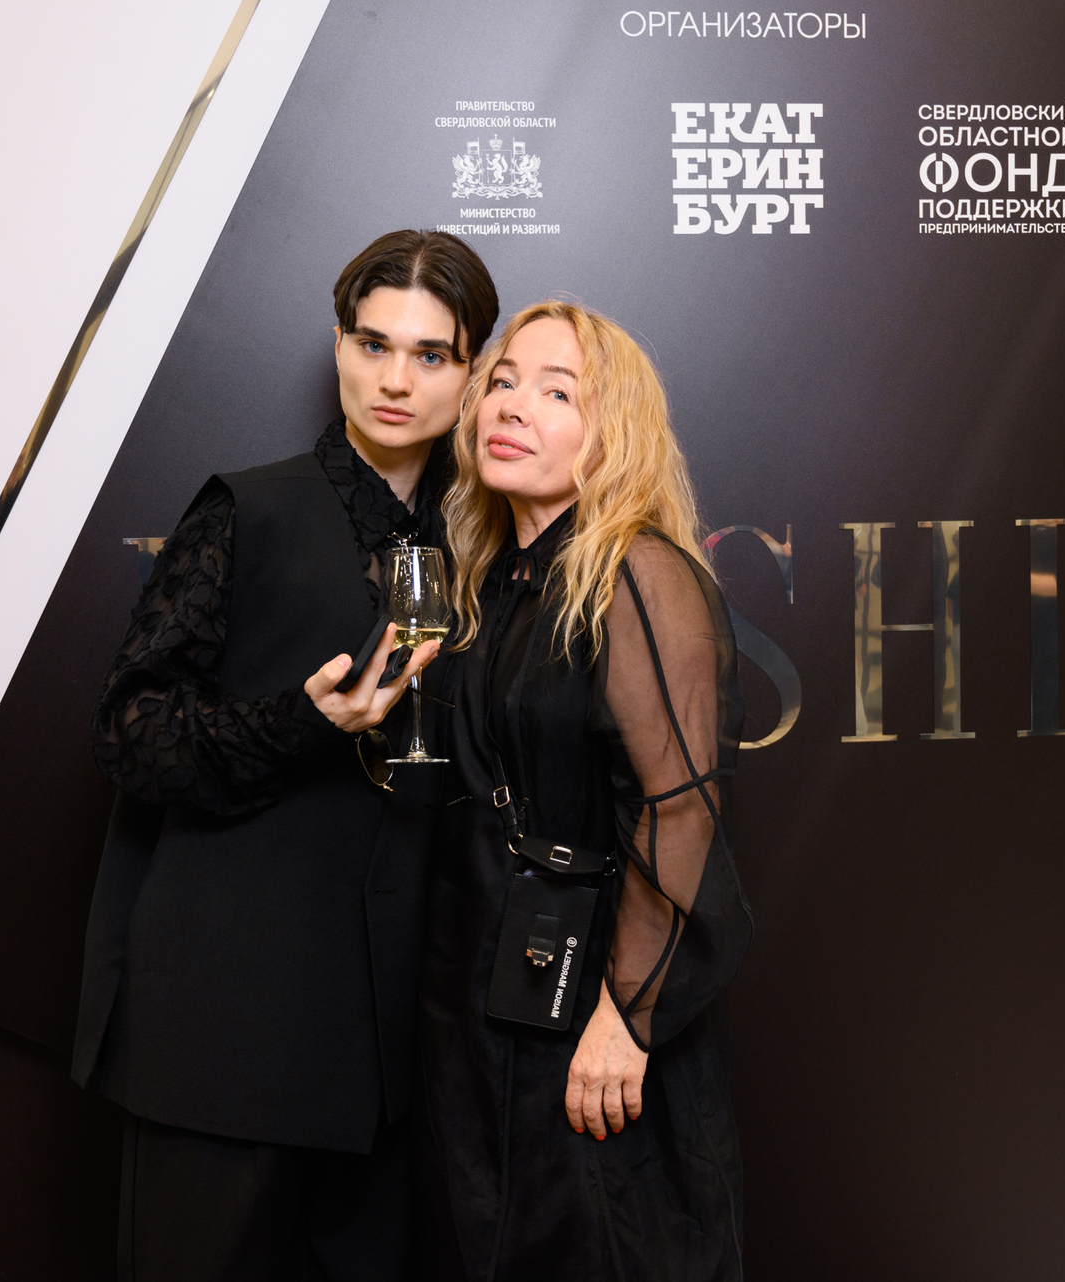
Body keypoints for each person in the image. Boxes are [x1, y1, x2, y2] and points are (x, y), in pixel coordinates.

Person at [74, 229, 498, 1280]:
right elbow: (129, 733)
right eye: (372, 343)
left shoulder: (481, 546)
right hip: (226, 1032)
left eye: (431, 355)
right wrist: (300, 723)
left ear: (471, 371)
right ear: (340, 342)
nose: (394, 380)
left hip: (390, 1059)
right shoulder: (246, 508)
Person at [417, 300, 752, 1280]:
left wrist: (626, 1014)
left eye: (557, 392)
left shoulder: (639, 573)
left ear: (616, 433)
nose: (512, 405)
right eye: (503, 381)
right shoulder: (494, 581)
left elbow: (681, 804)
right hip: (489, 1006)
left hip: (592, 1008)